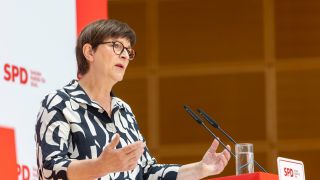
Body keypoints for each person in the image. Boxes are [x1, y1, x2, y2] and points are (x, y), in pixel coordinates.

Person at [35, 19, 231, 180]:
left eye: (128, 51)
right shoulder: (59, 102)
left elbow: (146, 172)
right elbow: (49, 170)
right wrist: (100, 166)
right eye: (116, 46)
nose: (125, 56)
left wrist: (200, 169)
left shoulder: (123, 110)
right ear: (89, 52)